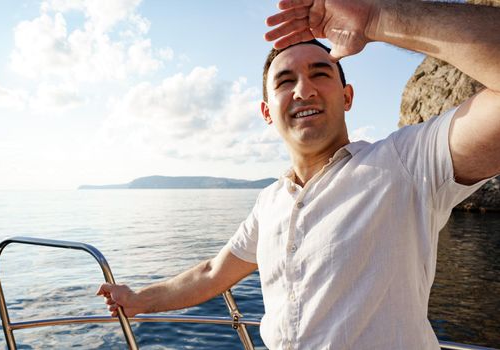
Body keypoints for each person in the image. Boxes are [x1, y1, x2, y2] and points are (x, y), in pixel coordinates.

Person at [97, 1, 500, 348]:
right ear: (268, 112)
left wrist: (377, 17)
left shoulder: (406, 164)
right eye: (285, 81)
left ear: (347, 97)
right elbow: (212, 273)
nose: (304, 90)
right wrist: (138, 299)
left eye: (321, 73)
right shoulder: (271, 201)